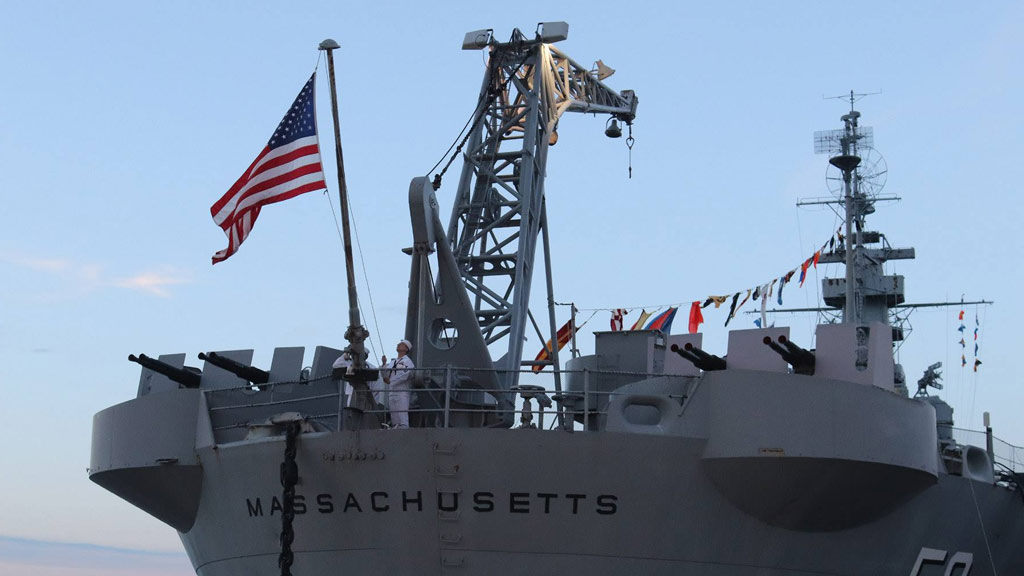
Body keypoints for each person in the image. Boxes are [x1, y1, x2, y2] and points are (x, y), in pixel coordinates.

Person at [381, 339, 415, 429]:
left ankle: (403, 432)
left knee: (402, 416)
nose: (398, 345)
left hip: (402, 392)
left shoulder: (408, 362)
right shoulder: (393, 362)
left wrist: (390, 381)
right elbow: (386, 376)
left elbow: (404, 375)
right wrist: (384, 364)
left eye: (401, 344)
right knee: (394, 417)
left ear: (406, 349)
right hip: (392, 392)